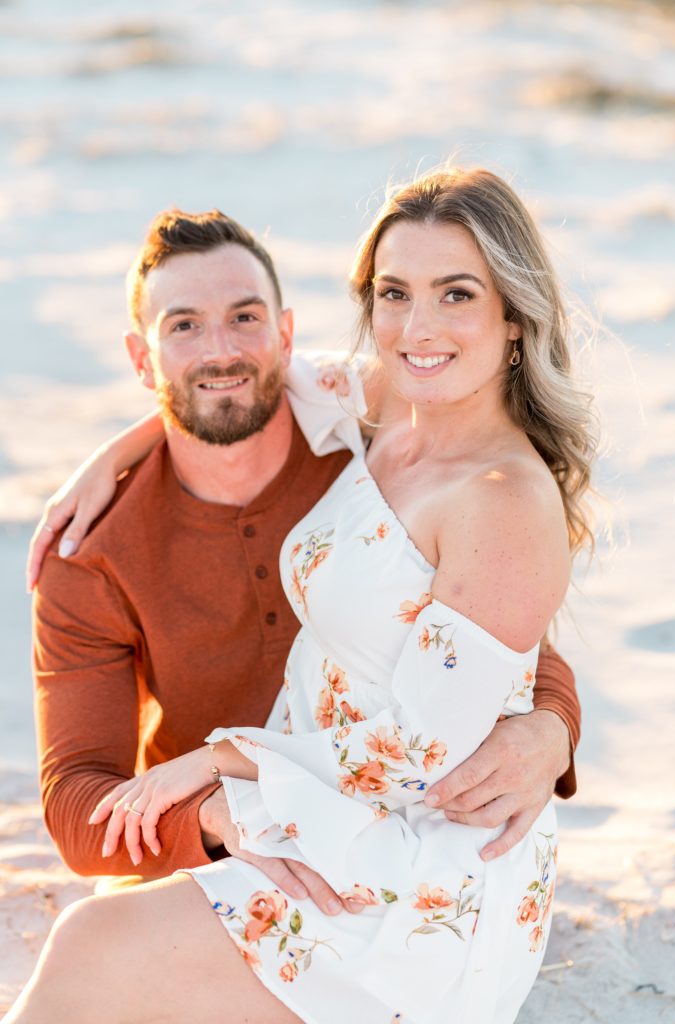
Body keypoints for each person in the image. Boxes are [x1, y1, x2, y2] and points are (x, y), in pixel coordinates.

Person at [8, 167, 597, 1024]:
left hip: (408, 853)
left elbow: (493, 663)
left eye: (456, 293)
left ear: (513, 316)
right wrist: (217, 811)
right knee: (93, 947)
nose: (417, 326)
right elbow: (73, 806)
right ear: (142, 357)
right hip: (265, 827)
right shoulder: (381, 415)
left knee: (88, 949)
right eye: (394, 294)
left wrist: (553, 726)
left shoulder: (407, 447)